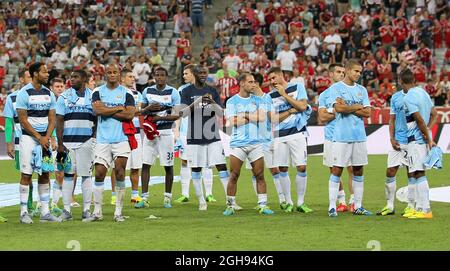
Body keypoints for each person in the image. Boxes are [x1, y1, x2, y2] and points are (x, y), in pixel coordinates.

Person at [180, 66, 239, 211]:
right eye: (199, 73)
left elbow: (220, 113)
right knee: (196, 168)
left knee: (221, 166)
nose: (202, 75)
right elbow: (183, 113)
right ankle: (201, 201)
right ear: (195, 74)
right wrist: (198, 102)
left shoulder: (213, 90)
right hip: (194, 136)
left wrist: (212, 102)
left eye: (204, 73)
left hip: (213, 135)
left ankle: (230, 201)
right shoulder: (186, 91)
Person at [85, 64, 135, 223]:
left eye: (115, 72)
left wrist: (107, 110)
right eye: (109, 72)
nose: (112, 74)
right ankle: (97, 211)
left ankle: (118, 212)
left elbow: (130, 115)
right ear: (105, 74)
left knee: (120, 172)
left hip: (121, 139)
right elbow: (98, 111)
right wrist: (119, 108)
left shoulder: (127, 92)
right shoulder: (97, 91)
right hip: (102, 140)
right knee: (99, 173)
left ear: (119, 75)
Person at [223, 72, 274, 216]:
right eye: (250, 82)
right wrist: (252, 117)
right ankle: (230, 205)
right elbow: (232, 121)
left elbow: (262, 117)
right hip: (238, 143)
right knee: (234, 175)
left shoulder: (258, 100)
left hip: (256, 143)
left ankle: (263, 205)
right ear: (242, 83)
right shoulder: (232, 101)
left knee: (259, 175)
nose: (253, 84)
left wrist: (244, 115)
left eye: (254, 82)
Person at [16, 62, 60, 223]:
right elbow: (23, 120)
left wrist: (47, 137)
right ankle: (23, 213)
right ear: (35, 74)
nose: (47, 74)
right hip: (29, 139)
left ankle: (45, 212)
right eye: (44, 72)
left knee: (45, 173)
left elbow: (52, 118)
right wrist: (39, 137)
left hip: (44, 139)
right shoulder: (24, 93)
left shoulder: (49, 93)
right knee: (26, 174)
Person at [326, 59, 372, 217]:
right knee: (337, 169)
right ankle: (332, 206)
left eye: (360, 72)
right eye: (356, 71)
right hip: (341, 136)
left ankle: (358, 205)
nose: (358, 74)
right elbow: (338, 108)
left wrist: (348, 107)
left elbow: (368, 113)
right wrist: (357, 106)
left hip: (359, 136)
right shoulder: (336, 88)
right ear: (347, 70)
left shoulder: (362, 90)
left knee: (358, 170)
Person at [267, 67, 313, 213]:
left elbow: (302, 106)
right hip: (280, 135)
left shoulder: (297, 87)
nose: (271, 81)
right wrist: (290, 111)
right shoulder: (269, 96)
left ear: (282, 76)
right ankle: (288, 202)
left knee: (301, 167)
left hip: (298, 133)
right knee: (282, 168)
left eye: (273, 78)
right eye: (269, 79)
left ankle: (300, 202)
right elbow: (273, 119)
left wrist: (284, 95)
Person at [135, 67, 180, 209]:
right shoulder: (147, 91)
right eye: (157, 75)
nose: (159, 78)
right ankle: (145, 198)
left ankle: (167, 198)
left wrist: (158, 117)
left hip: (166, 132)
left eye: (162, 75)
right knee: (146, 164)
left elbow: (177, 114)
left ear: (166, 77)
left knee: (168, 166)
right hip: (150, 133)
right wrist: (148, 109)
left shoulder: (173, 92)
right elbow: (139, 111)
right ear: (154, 77)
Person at [56, 70, 95, 221]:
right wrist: (60, 144)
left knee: (86, 175)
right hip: (67, 143)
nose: (72, 79)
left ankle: (86, 210)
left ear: (84, 79)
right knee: (67, 175)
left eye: (76, 77)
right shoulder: (64, 97)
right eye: (71, 77)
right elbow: (59, 121)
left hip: (86, 142)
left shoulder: (93, 97)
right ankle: (66, 210)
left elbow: (97, 119)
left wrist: (94, 137)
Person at [174, 64, 215, 203]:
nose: (184, 76)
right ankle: (185, 194)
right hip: (186, 131)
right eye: (183, 74)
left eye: (186, 73)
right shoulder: (182, 90)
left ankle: (209, 193)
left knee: (207, 162)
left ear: (194, 74)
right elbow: (180, 111)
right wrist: (177, 130)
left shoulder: (207, 89)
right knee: (185, 161)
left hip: (204, 130)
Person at [400, 69, 438, 219]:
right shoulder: (423, 93)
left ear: (401, 82)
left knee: (419, 173)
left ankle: (426, 210)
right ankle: (421, 207)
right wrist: (428, 131)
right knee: (417, 172)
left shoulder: (408, 98)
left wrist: (428, 138)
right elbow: (434, 114)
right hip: (421, 138)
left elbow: (419, 120)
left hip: (415, 141)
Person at [317, 63, 354, 212]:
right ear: (331, 74)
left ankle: (353, 201)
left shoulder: (352, 91)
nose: (341, 74)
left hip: (350, 136)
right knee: (334, 171)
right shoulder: (324, 95)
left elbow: (359, 111)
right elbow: (322, 117)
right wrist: (339, 110)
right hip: (331, 137)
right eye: (338, 72)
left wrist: (343, 110)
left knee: (353, 169)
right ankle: (342, 201)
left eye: (343, 72)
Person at [2, 68, 33, 223]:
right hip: (20, 143)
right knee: (26, 175)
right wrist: (8, 143)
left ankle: (42, 207)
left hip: (39, 142)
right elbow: (8, 123)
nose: (31, 78)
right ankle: (28, 206)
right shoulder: (12, 98)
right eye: (28, 77)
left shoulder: (41, 95)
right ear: (21, 79)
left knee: (42, 174)